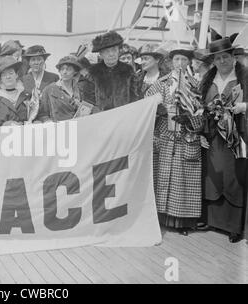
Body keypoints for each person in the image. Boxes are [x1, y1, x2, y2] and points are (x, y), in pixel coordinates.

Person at [145, 46, 204, 236]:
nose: (180, 64)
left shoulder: (196, 85)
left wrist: (191, 120)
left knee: (182, 179)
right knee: (163, 177)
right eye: (177, 60)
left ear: (189, 63)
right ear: (171, 62)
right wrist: (158, 110)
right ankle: (160, 218)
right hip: (164, 137)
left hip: (186, 137)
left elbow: (203, 113)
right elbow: (145, 104)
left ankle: (182, 222)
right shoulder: (161, 84)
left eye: (184, 60)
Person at [200, 38, 247, 243]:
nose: (222, 61)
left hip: (238, 134)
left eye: (226, 57)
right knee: (213, 174)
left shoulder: (244, 78)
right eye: (218, 58)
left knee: (234, 175)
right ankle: (212, 219)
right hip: (213, 135)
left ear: (233, 57)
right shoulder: (208, 81)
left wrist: (243, 107)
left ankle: (234, 225)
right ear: (213, 61)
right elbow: (199, 106)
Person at [89, 31, 141, 111]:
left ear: (118, 51)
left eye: (114, 50)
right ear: (101, 54)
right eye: (107, 51)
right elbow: (89, 97)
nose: (111, 54)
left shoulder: (128, 70)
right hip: (101, 117)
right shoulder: (94, 72)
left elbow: (134, 95)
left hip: (124, 115)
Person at [0, 56, 31, 126]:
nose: (8, 77)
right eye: (4, 74)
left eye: (11, 73)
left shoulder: (27, 97)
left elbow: (35, 118)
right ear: (0, 78)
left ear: (16, 75)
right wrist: (7, 125)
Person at [37, 55, 83, 122]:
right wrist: (48, 121)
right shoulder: (50, 89)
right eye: (62, 69)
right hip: (58, 127)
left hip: (78, 126)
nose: (64, 72)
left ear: (75, 72)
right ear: (59, 71)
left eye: (69, 69)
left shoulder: (80, 89)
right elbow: (42, 114)